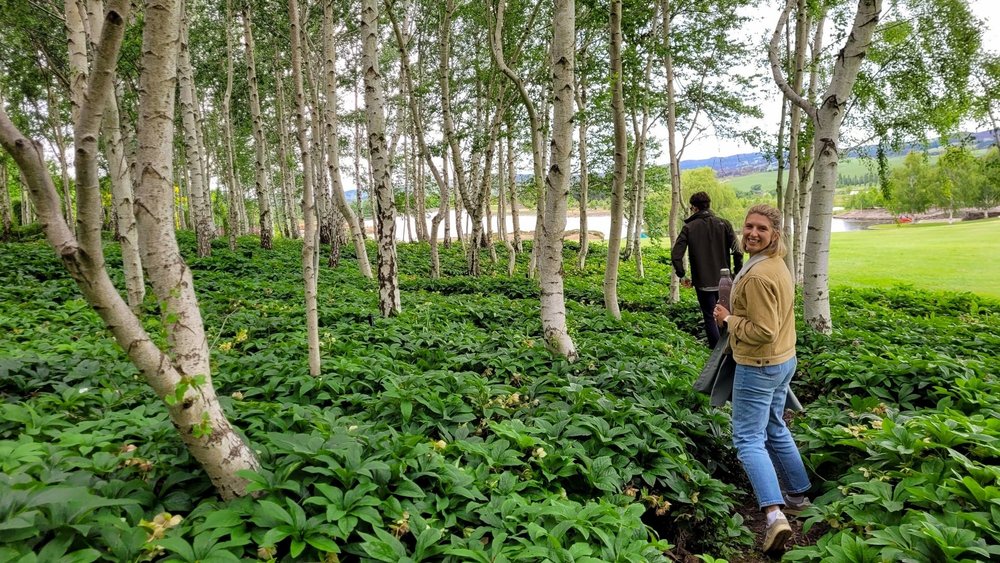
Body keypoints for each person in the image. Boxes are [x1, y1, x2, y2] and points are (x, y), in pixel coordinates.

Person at [712, 204, 811, 555]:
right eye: (749, 227)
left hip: (760, 364)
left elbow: (763, 330)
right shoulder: (776, 264)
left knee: (747, 439)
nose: (752, 233)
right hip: (785, 360)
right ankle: (798, 494)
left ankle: (773, 516)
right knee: (774, 426)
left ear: (775, 234)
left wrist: (728, 319)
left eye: (761, 229)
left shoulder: (756, 275)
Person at [671, 191, 743, 348]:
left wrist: (682, 275)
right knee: (727, 313)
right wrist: (738, 272)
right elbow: (738, 250)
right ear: (708, 205)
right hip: (725, 280)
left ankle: (716, 352)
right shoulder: (724, 224)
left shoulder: (689, 228)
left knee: (710, 316)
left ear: (694, 208)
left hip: (703, 282)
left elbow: (676, 254)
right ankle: (730, 346)